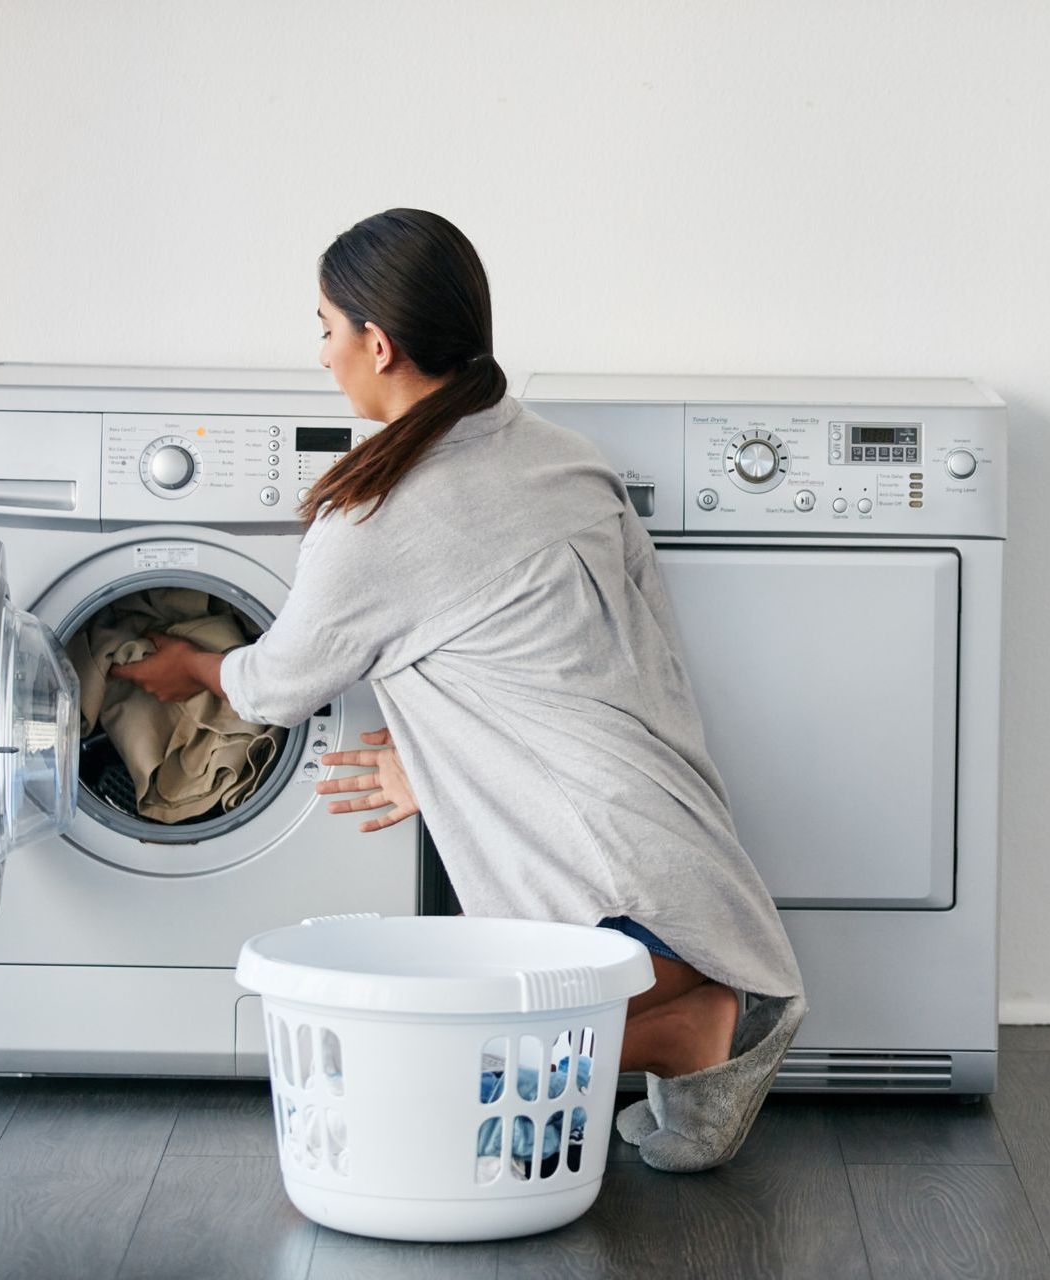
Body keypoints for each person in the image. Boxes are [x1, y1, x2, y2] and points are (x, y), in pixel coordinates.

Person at [109, 208, 806, 1171]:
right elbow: (610, 661)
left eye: (324, 327)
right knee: (477, 1087)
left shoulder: (372, 523)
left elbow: (273, 687)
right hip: (672, 843)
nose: (320, 355)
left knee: (426, 1092)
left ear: (377, 343)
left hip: (598, 876)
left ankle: (698, 1031)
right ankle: (690, 1026)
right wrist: (447, 764)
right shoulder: (564, 457)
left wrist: (187, 667)